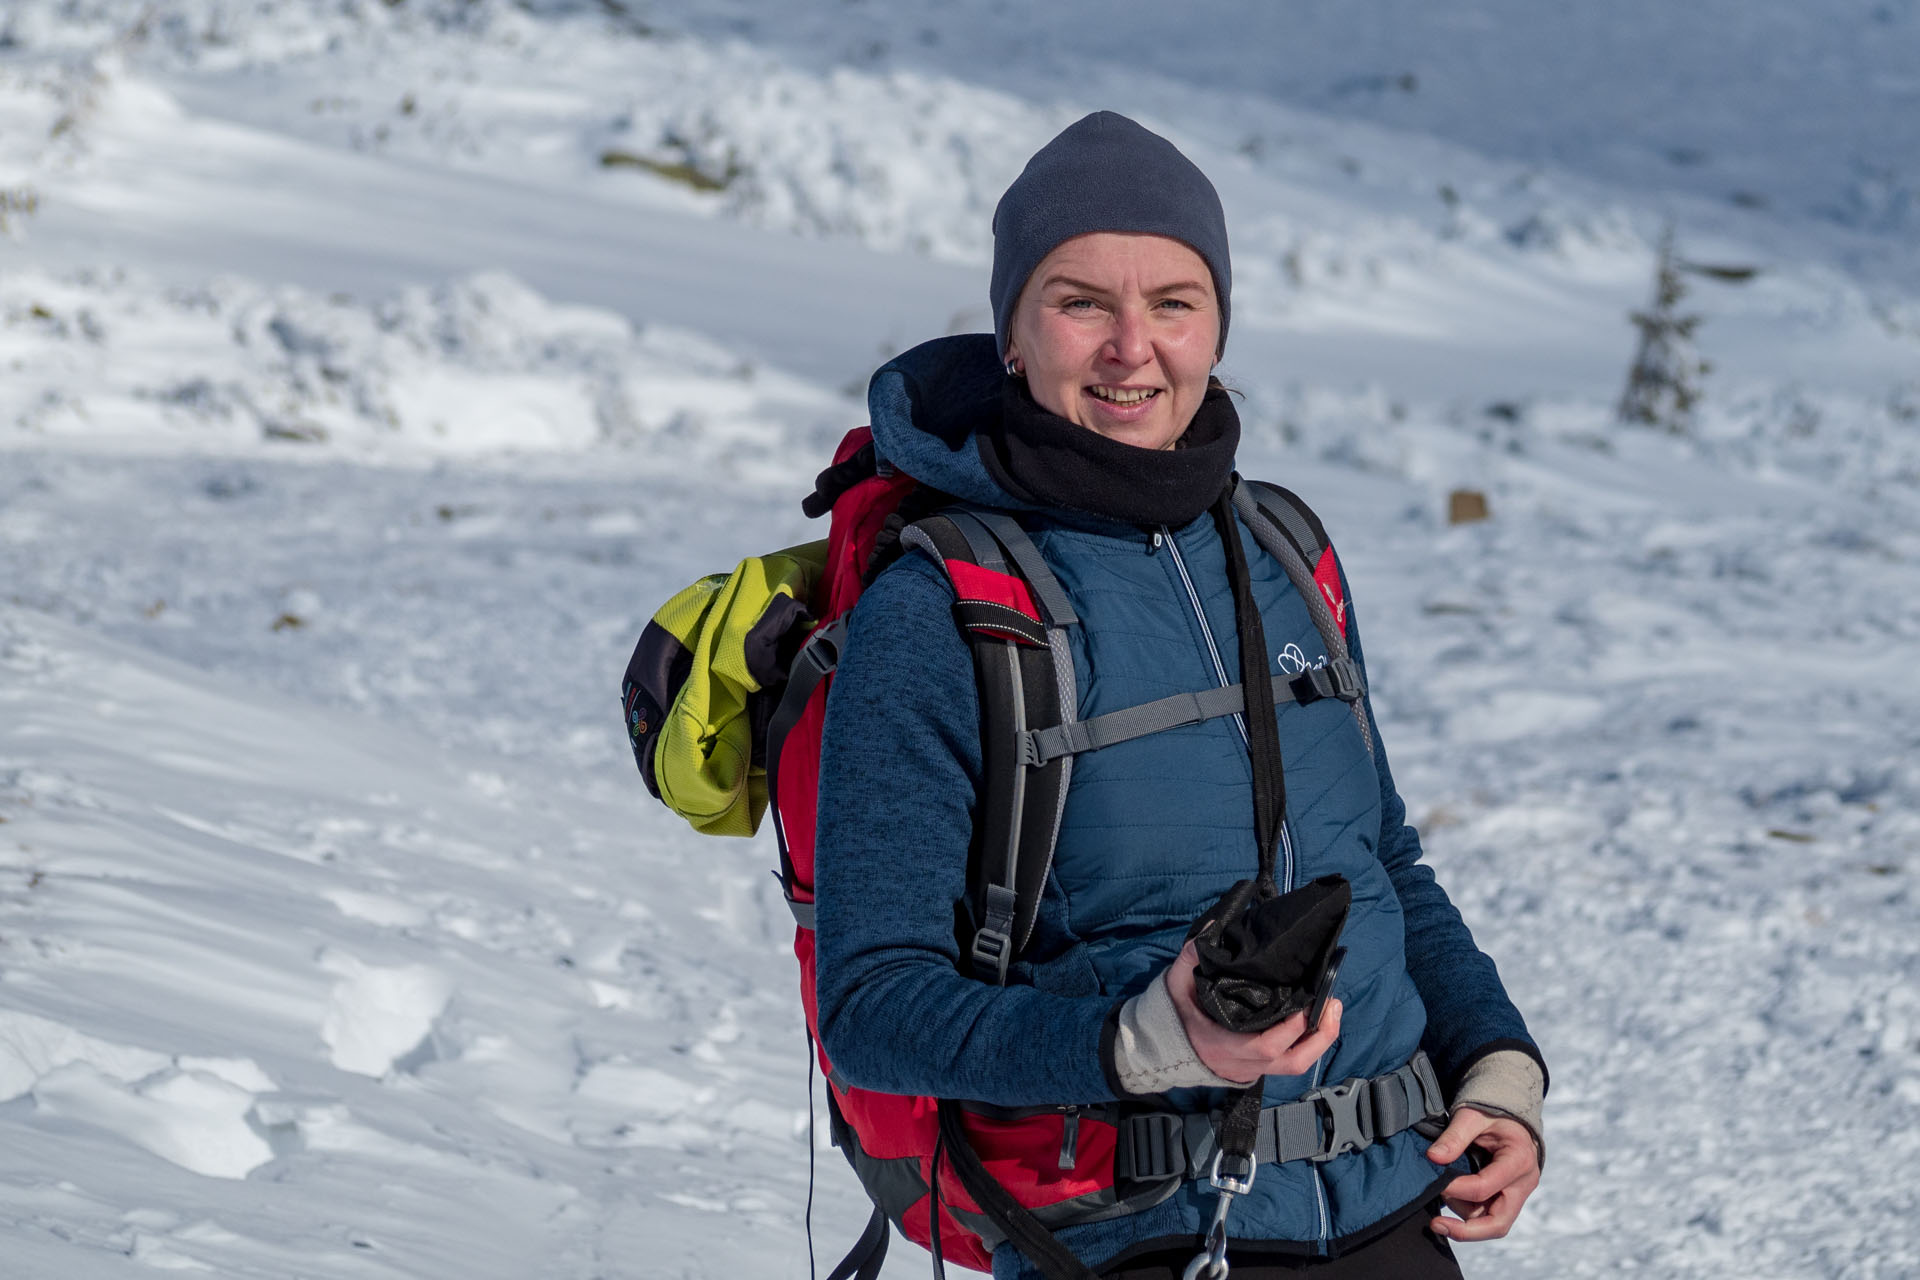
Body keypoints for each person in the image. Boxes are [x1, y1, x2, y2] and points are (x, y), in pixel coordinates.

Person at [812, 111, 1545, 1280]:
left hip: (1391, 1206)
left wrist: (1498, 1065)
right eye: (1080, 300)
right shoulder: (943, 610)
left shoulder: (1281, 547)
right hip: (1120, 1230)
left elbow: (1384, 860)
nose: (1130, 347)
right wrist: (1146, 1040)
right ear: (1011, 333)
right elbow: (873, 1004)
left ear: (1218, 326)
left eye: (1173, 301)